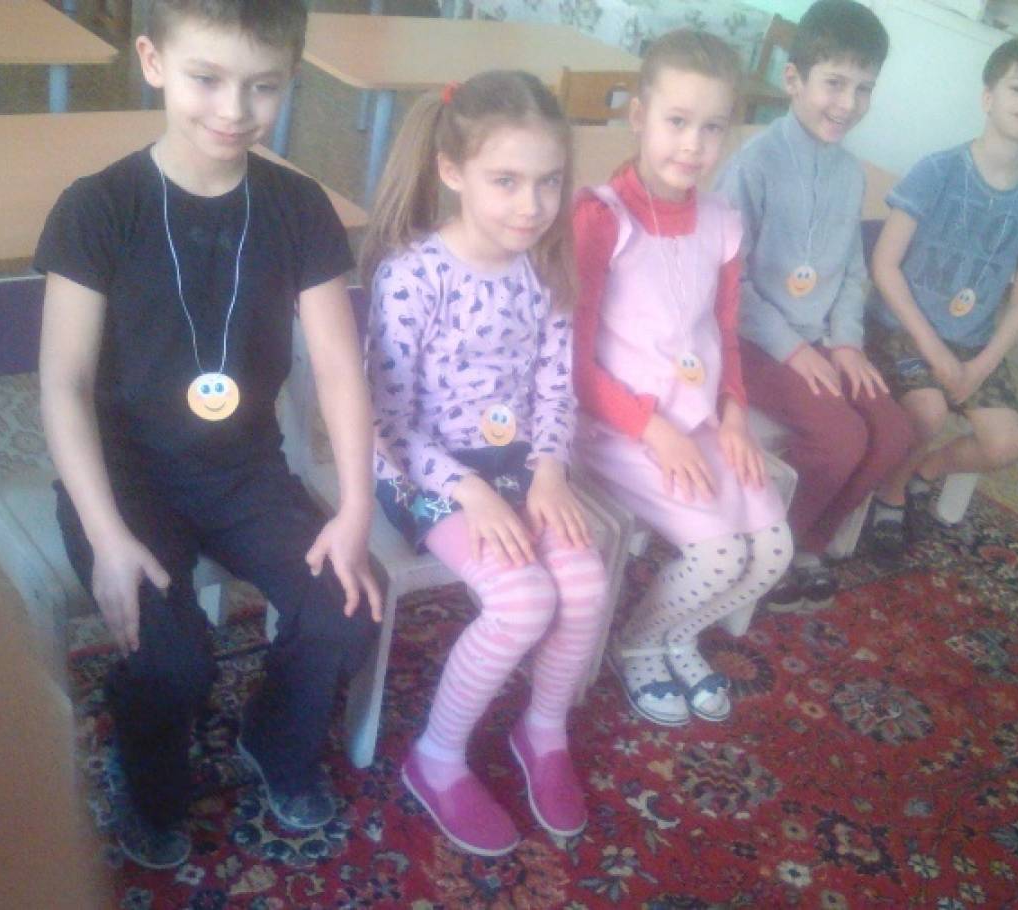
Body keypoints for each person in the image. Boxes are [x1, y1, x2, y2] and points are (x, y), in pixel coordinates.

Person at [34, 0, 382, 870]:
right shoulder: (97, 207)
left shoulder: (297, 207)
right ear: (152, 61)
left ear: (289, 79)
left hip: (243, 472)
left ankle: (274, 735)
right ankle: (149, 774)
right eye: (206, 78)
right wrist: (106, 536)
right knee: (171, 661)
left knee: (346, 605)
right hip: (124, 479)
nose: (234, 109)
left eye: (262, 86)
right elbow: (63, 385)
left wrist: (354, 509)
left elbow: (340, 371)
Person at [362, 71, 611, 858]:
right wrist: (471, 493)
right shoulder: (414, 277)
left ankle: (542, 731)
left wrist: (549, 471)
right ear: (451, 170)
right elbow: (387, 425)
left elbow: (554, 390)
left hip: (519, 465)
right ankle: (435, 758)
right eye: (505, 180)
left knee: (585, 584)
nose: (531, 205)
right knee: (523, 601)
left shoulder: (545, 268)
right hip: (427, 475)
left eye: (548, 182)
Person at [573, 30, 793, 729]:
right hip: (619, 431)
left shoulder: (722, 221)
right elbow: (572, 363)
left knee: (773, 550)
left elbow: (724, 332)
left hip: (699, 423)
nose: (692, 144)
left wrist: (734, 414)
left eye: (712, 128)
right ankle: (638, 643)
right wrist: (654, 430)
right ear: (639, 116)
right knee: (719, 552)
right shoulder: (601, 218)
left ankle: (679, 633)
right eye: (676, 121)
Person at [716, 0, 912, 608]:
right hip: (751, 341)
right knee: (840, 438)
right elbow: (726, 283)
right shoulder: (753, 165)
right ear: (793, 79)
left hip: (822, 340)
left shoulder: (851, 173)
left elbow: (852, 270)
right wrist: (792, 348)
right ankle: (761, 552)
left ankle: (805, 542)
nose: (848, 103)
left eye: (864, 88)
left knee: (894, 433)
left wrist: (847, 342)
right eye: (834, 83)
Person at [866, 35, 1018, 552]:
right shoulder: (938, 171)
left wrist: (980, 366)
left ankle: (924, 471)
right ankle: (889, 495)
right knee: (929, 411)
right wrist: (936, 352)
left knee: (1006, 444)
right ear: (988, 97)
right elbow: (885, 266)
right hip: (902, 329)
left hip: (972, 344)